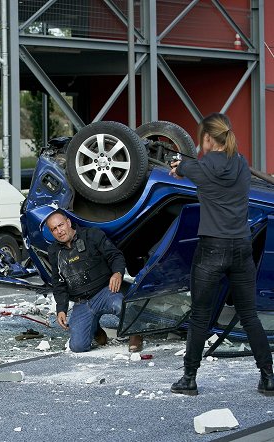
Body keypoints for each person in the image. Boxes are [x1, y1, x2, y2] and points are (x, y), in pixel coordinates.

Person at [169, 112, 274, 396]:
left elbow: (184, 169)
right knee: (249, 315)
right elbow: (196, 168)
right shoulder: (240, 163)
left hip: (212, 248)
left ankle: (189, 379)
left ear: (206, 138)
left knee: (200, 316)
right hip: (241, 247)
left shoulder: (201, 167)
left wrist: (179, 167)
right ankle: (268, 377)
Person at [45, 209, 144, 353]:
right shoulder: (54, 252)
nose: (59, 231)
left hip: (105, 292)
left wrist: (117, 273)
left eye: (61, 225)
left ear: (68, 222)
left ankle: (135, 332)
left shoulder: (92, 235)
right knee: (78, 347)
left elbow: (115, 256)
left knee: (119, 305)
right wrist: (61, 309)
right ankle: (95, 329)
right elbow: (58, 282)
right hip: (82, 302)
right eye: (54, 229)